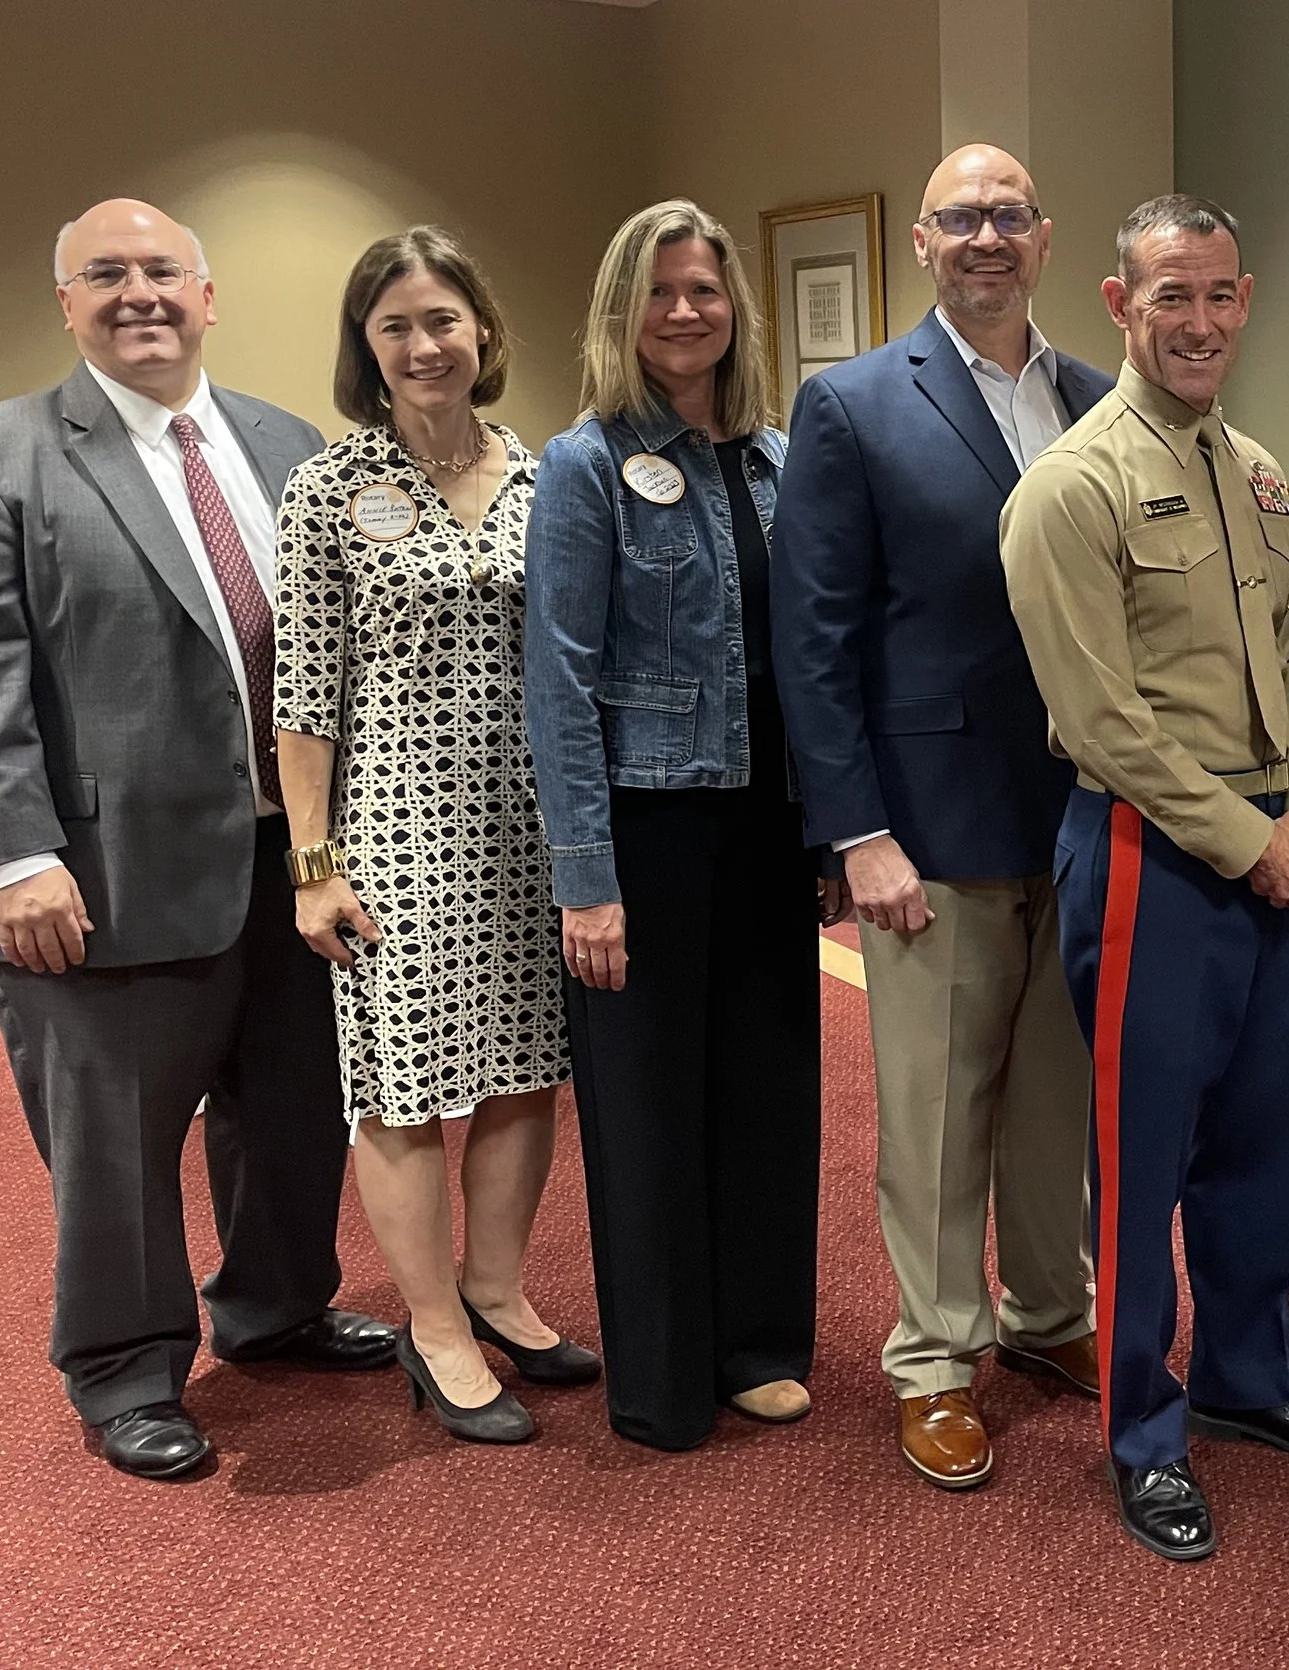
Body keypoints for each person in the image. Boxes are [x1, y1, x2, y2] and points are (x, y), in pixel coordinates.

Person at [0, 199, 396, 1480]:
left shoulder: (289, 444)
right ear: (66, 303)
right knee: (115, 1145)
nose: (139, 293)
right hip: (99, 878)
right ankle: (124, 1367)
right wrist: (12, 855)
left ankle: (277, 1305)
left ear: (208, 294)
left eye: (162, 270)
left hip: (293, 861)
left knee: (292, 1111)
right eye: (104, 274)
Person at [1001, 194, 1289, 1563]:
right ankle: (1144, 1431)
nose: (1201, 321)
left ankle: (1245, 1375)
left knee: (1254, 1143)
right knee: (1141, 1155)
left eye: (1221, 294)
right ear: (1119, 302)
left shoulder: (1262, 475)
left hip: (1273, 850)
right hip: (1151, 853)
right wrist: (1252, 836)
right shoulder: (1071, 488)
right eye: (1173, 295)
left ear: (1246, 295)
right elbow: (1104, 723)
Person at [773, 145, 1116, 1490]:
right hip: (925, 827)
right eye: (964, 216)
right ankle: (933, 1357)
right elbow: (815, 640)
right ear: (923, 240)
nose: (989, 235)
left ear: (1045, 238)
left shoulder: (1100, 397)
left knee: (1053, 1105)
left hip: (1082, 817)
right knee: (929, 1112)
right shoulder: (853, 404)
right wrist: (856, 830)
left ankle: (1046, 1317)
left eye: (1012, 215)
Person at [526, 200, 847, 1453]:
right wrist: (585, 877)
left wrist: (825, 831)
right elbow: (556, 677)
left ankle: (758, 1342)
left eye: (704, 290)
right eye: (658, 291)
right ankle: (663, 1371)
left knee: (769, 1089)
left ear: (735, 308)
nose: (683, 312)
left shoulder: (777, 460)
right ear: (623, 309)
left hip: (766, 825)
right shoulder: (587, 463)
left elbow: (808, 662)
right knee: (650, 1107)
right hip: (645, 828)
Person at [273, 226, 593, 1446]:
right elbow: (303, 694)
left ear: (484, 332)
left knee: (522, 1074)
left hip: (529, 825)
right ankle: (432, 1322)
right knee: (403, 1093)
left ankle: (497, 1286)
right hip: (394, 831)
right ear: (368, 347)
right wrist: (316, 866)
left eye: (443, 318)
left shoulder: (542, 473)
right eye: (396, 324)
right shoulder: (328, 489)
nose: (424, 343)